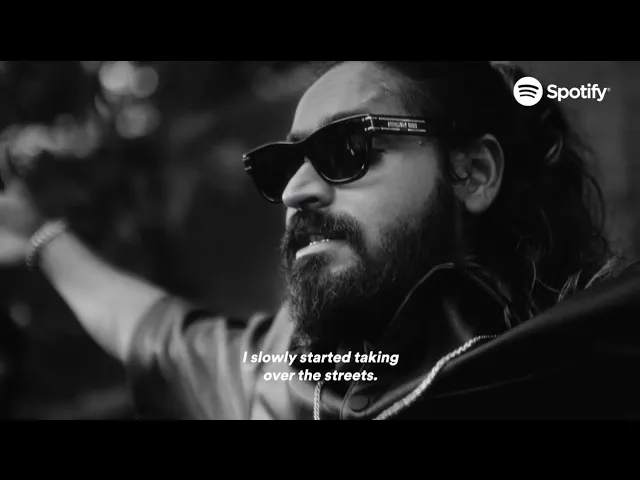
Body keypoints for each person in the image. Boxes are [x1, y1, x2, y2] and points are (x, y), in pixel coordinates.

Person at [1, 61, 639, 420]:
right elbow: (162, 337)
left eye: (347, 148)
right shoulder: (297, 385)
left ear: (472, 173)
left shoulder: (596, 362)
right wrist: (41, 237)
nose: (294, 192)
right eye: (280, 166)